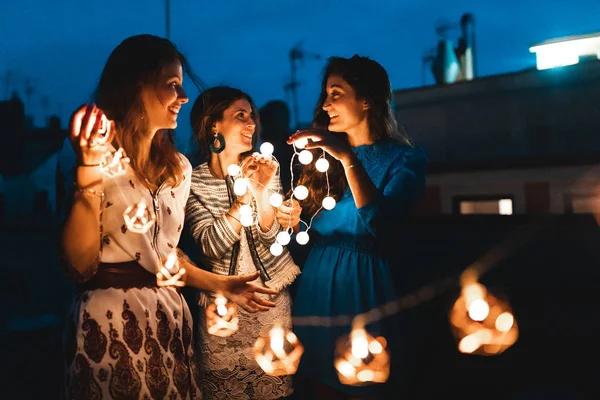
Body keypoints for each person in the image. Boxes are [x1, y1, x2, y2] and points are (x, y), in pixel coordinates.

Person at [58, 35, 276, 400]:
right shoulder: (94, 156)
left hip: (168, 320)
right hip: (108, 320)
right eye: (172, 86)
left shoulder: (179, 168)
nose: (184, 97)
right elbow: (78, 264)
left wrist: (220, 285)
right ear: (136, 86)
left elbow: (163, 254)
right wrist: (88, 172)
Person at [287, 55, 427, 399]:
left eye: (337, 93)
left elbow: (381, 222)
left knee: (365, 378)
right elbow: (303, 221)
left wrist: (347, 158)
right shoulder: (319, 160)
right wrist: (288, 214)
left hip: (368, 285)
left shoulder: (404, 160)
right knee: (320, 382)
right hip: (318, 282)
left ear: (367, 100)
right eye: (325, 94)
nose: (325, 103)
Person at [185, 86, 301, 399]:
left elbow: (272, 239)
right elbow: (211, 245)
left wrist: (264, 192)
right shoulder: (192, 181)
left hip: (270, 302)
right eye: (240, 115)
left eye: (252, 115)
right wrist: (245, 197)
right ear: (213, 125)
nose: (251, 122)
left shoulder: (266, 168)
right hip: (223, 309)